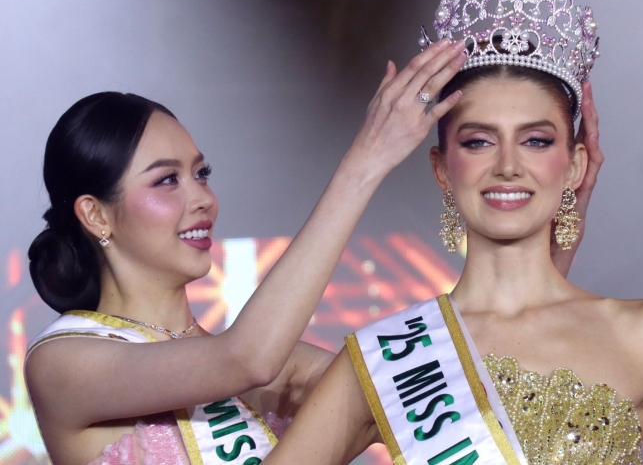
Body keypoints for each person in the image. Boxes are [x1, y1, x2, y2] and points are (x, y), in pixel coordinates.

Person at [263, 0, 643, 464]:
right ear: (443, 169)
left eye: (536, 141)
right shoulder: (385, 360)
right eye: (478, 141)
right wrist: (364, 162)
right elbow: (249, 359)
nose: (508, 166)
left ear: (575, 164)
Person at [24, 39, 470, 465]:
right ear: (96, 215)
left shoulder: (276, 366)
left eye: (201, 174)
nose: (202, 198)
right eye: (166, 180)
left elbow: (402, 398)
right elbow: (246, 359)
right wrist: (366, 162)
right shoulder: (61, 364)